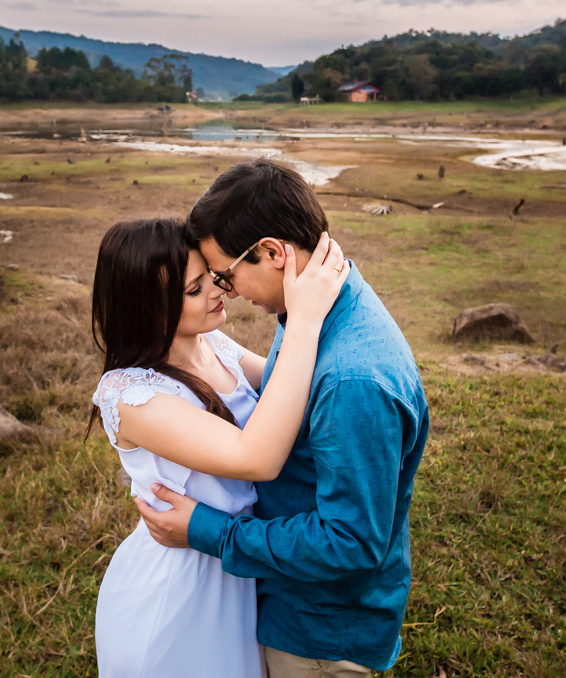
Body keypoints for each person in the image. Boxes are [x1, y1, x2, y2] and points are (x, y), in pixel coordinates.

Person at [136, 159, 431, 678]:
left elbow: (350, 541)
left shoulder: (350, 379)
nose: (226, 291)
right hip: (290, 603)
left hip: (319, 631)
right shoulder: (311, 313)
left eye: (225, 275)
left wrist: (209, 531)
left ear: (273, 253)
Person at [90, 217, 348, 678]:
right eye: (194, 290)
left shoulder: (212, 343)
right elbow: (257, 457)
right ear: (148, 308)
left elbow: (287, 391)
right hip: (181, 592)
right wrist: (303, 321)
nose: (219, 289)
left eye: (209, 275)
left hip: (237, 563)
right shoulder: (131, 394)